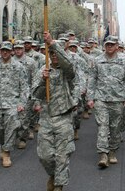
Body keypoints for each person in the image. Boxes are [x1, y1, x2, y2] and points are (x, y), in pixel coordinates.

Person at [32, 32, 78, 191]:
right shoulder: (42, 71)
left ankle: (59, 185)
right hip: (46, 118)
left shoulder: (67, 71)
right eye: (51, 53)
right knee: (45, 156)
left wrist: (52, 43)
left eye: (57, 53)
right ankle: (53, 175)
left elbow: (69, 67)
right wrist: (42, 81)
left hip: (63, 117)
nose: (54, 56)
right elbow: (35, 95)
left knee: (62, 156)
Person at [87, 35, 125, 168]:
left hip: (118, 99)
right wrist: (90, 98)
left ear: (117, 46)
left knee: (115, 127)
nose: (109, 47)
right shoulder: (97, 61)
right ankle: (103, 154)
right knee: (102, 126)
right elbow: (92, 80)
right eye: (107, 44)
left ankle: (112, 150)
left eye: (112, 45)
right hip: (101, 98)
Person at [13, 40, 38, 148]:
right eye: (16, 49)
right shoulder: (10, 61)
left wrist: (35, 97)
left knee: (24, 118)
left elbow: (35, 79)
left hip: (26, 93)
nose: (18, 50)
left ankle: (23, 138)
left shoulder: (31, 62)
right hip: (12, 94)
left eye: (20, 48)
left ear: (23, 49)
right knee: (12, 118)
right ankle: (12, 136)